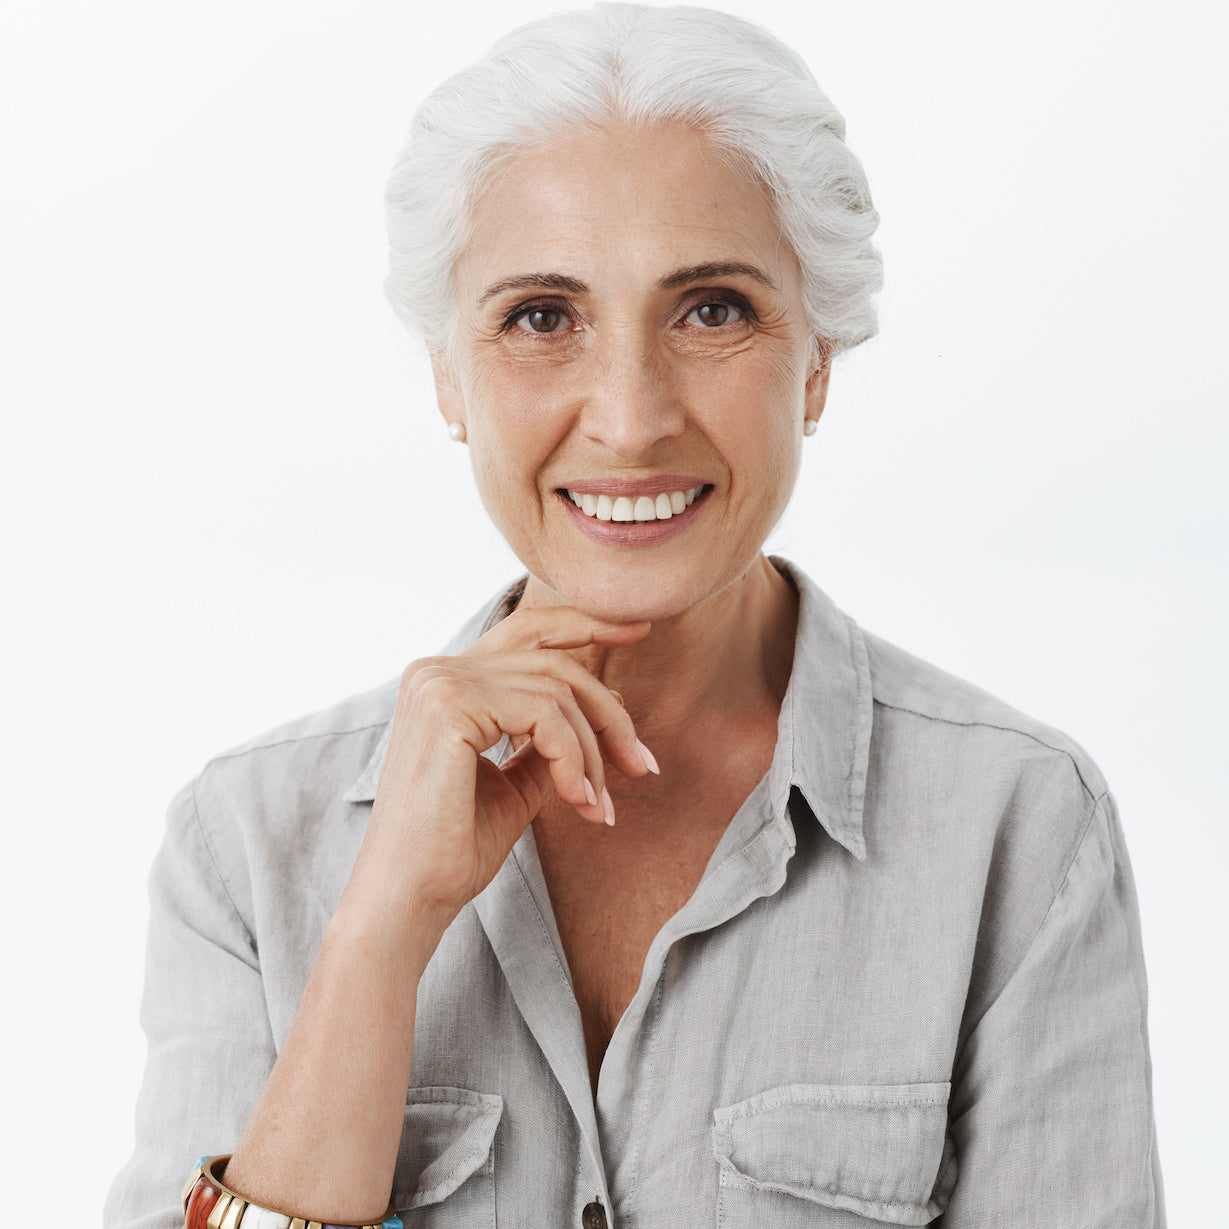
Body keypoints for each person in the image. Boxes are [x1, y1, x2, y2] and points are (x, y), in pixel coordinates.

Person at [107, 4, 1165, 1226]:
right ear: (449, 373)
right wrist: (379, 927)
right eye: (540, 317)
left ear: (815, 355)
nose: (628, 415)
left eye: (711, 308)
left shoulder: (1018, 829)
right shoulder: (244, 842)